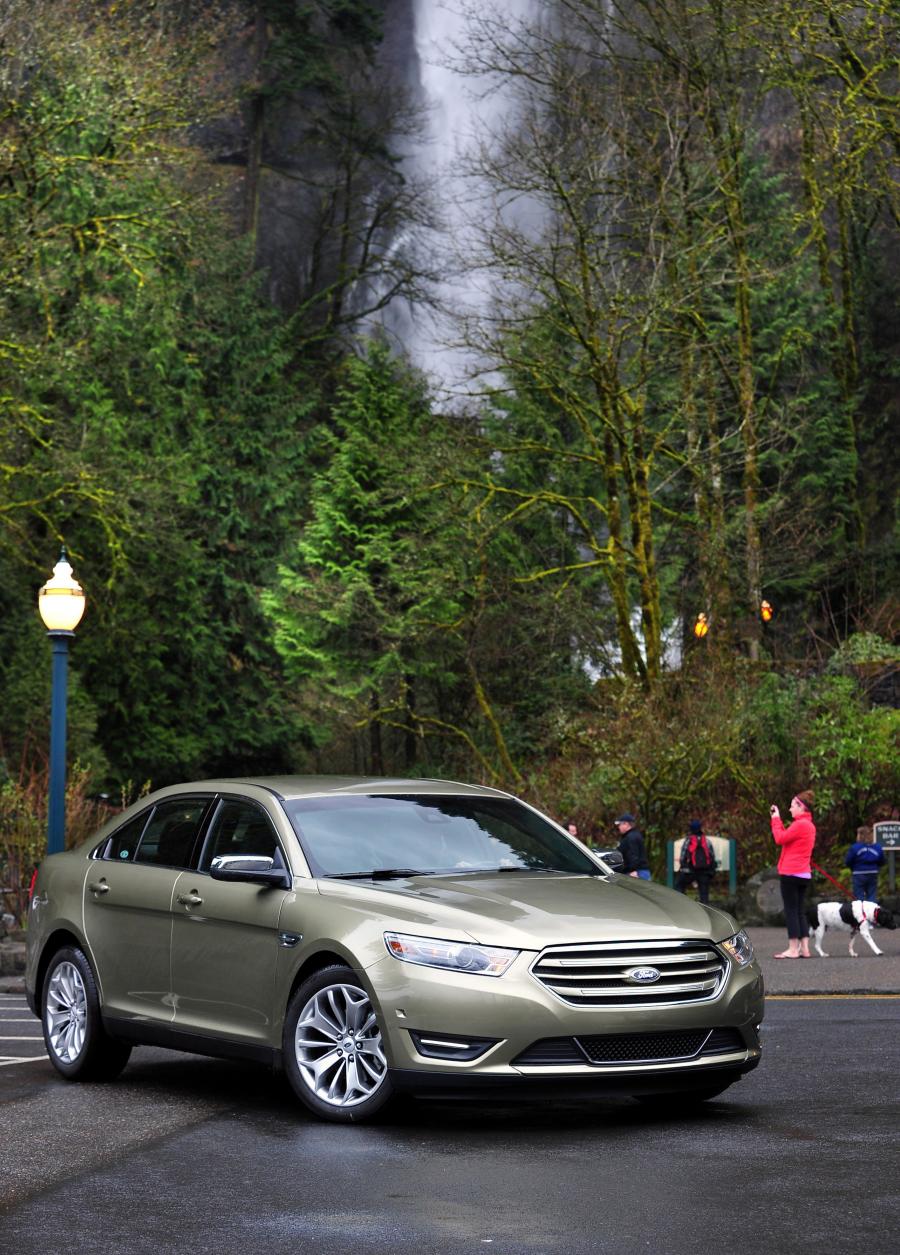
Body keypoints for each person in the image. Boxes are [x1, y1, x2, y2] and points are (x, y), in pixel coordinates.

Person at [770, 790, 816, 958]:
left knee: (791, 911)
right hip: (804, 874)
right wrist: (779, 820)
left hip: (791, 873)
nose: (790, 809)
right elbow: (786, 837)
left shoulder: (800, 825)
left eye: (792, 805)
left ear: (801, 807)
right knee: (799, 911)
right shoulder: (808, 825)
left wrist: (775, 819)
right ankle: (804, 948)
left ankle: (793, 948)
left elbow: (779, 839)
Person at [675, 820, 717, 903]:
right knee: (704, 893)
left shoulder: (688, 841)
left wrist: (683, 867)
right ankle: (706, 911)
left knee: (679, 885)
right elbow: (712, 856)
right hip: (704, 871)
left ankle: (681, 905)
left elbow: (683, 857)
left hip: (690, 871)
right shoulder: (707, 841)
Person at [844, 824, 885, 902]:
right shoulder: (877, 847)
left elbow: (848, 861)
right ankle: (872, 911)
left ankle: (860, 912)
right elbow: (882, 860)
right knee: (872, 894)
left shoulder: (855, 847)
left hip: (858, 873)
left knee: (858, 895)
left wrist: (852, 868)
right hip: (873, 873)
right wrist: (876, 867)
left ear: (859, 835)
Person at [614, 813, 651, 879]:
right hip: (639, 871)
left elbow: (633, 855)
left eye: (620, 824)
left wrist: (633, 870)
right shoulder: (632, 835)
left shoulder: (631, 837)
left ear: (626, 824)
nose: (618, 827)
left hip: (636, 873)